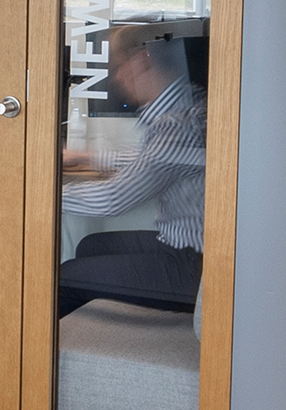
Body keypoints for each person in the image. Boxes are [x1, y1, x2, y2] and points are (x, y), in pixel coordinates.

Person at [56, 23, 207, 317]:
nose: (117, 77)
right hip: (189, 248)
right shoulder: (188, 104)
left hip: (194, 266)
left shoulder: (175, 125)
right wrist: (84, 157)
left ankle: (43, 360)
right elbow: (153, 160)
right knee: (91, 245)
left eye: (118, 66)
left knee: (66, 277)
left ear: (142, 61)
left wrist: (35, 192)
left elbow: (114, 199)